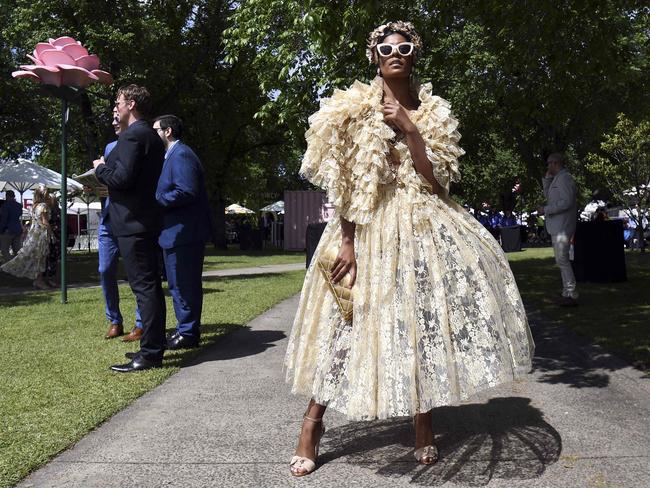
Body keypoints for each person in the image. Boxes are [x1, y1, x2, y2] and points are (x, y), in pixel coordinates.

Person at [285, 21, 534, 477]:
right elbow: (343, 181)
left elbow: (439, 182)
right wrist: (346, 242)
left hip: (420, 225)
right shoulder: (353, 108)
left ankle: (424, 424)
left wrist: (411, 130)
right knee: (345, 325)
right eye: (385, 47)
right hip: (366, 227)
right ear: (374, 56)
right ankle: (311, 425)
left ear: (414, 55)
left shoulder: (433, 110)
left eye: (403, 47)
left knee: (418, 322)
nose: (394, 53)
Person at [94, 84, 166, 372]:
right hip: (141, 219)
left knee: (145, 289)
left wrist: (100, 168)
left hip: (133, 222)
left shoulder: (133, 136)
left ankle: (150, 353)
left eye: (119, 101)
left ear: (131, 104)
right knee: (148, 288)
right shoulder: (147, 136)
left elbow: (122, 178)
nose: (116, 107)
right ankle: (153, 347)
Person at [153, 114, 211, 349]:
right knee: (178, 284)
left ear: (168, 131)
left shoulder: (182, 154)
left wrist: (156, 200)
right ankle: (185, 330)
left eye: (155, 129)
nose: (152, 134)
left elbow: (186, 191)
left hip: (184, 233)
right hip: (176, 233)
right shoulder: (171, 156)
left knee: (184, 284)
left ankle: (187, 332)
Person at [99, 108, 144, 341]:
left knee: (136, 273)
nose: (114, 119)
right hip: (108, 219)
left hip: (128, 219)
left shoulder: (138, 143)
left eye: (117, 113)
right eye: (112, 115)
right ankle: (114, 320)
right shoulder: (108, 148)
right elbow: (108, 178)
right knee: (105, 270)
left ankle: (140, 323)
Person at [537, 152, 578, 306]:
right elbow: (549, 196)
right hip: (558, 226)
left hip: (562, 227)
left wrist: (546, 210)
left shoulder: (565, 178)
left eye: (549, 163)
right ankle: (567, 292)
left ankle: (571, 293)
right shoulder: (557, 179)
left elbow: (566, 202)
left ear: (555, 163)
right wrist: (547, 180)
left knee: (562, 259)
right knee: (561, 260)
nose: (547, 166)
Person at [1, 186, 51, 289]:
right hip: (29, 232)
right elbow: (45, 222)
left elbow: (5, 219)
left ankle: (13, 265)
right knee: (35, 256)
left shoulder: (34, 206)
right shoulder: (20, 206)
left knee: (8, 250)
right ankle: (37, 279)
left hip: (30, 233)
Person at [44, 189, 61, 287]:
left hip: (56, 236)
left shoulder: (56, 210)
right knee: (49, 258)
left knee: (53, 258)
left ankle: (51, 278)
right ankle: (48, 278)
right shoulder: (48, 211)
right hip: (50, 236)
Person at [0, 190, 23, 263]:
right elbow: (19, 215)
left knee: (4, 250)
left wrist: (1, 230)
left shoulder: (5, 206)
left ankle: (10, 265)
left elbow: (4, 220)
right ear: (14, 196)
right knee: (17, 250)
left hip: (7, 230)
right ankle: (18, 265)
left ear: (7, 196)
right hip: (18, 229)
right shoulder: (19, 206)